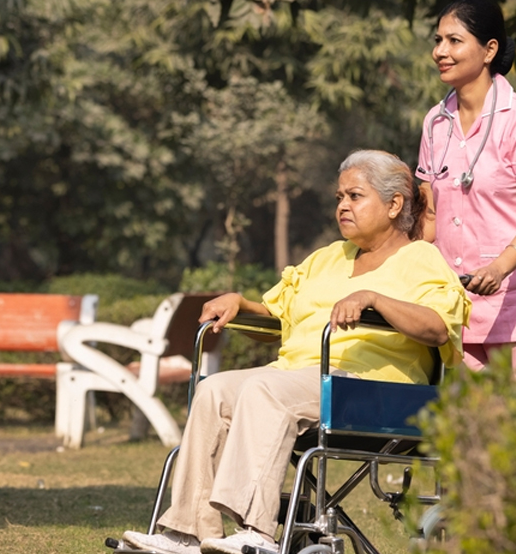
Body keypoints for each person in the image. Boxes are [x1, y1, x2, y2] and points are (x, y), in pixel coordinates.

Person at [122, 150, 470, 554]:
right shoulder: (327, 258)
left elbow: (437, 327)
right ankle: (186, 532)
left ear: (394, 205)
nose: (342, 206)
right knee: (214, 390)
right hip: (300, 376)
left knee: (265, 390)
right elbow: (278, 317)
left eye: (355, 196)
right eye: (339, 197)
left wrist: (374, 299)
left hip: (373, 389)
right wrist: (241, 304)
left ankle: (257, 531)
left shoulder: (421, 259)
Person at [416, 0, 516, 374]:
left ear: (489, 50)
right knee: (471, 431)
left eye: (454, 41)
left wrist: (499, 268)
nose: (441, 51)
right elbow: (429, 217)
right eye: (438, 41)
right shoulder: (434, 124)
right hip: (458, 314)